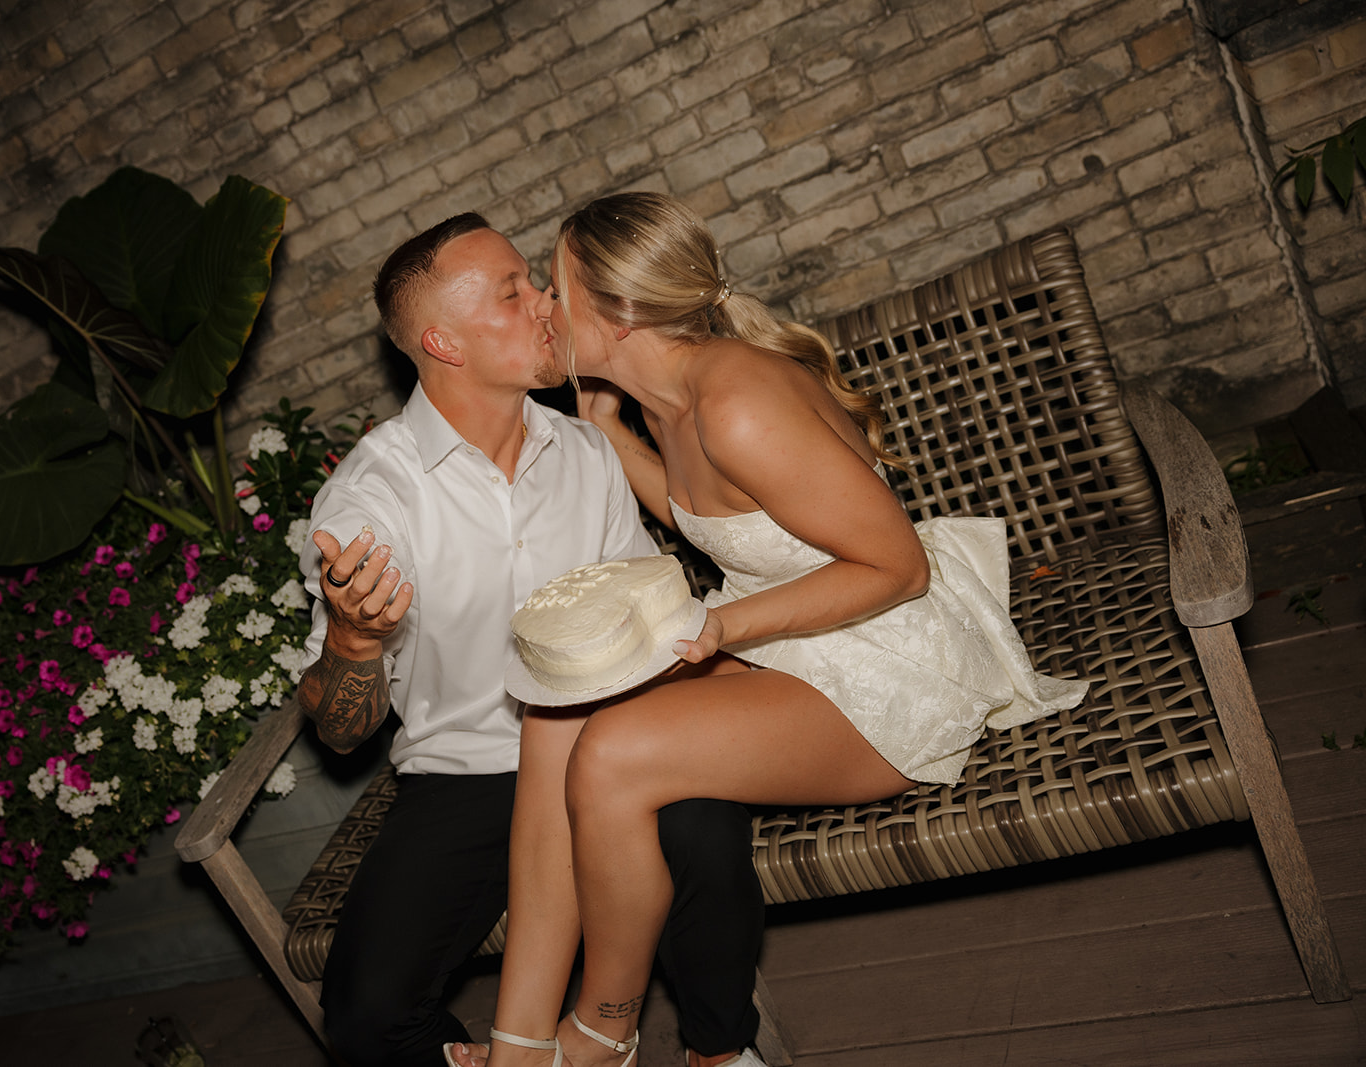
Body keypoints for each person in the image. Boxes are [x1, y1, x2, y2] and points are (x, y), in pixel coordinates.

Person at [478, 192, 1090, 1067]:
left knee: (612, 755)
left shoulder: (736, 401)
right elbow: (715, 522)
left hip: (893, 656)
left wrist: (722, 623)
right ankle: (525, 1036)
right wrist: (608, 432)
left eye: (554, 286)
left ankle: (599, 1034)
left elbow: (896, 568)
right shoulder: (666, 395)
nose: (542, 304)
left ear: (614, 312)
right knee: (558, 717)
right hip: (802, 642)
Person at [295, 212, 765, 1067]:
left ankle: (721, 1053)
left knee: (704, 829)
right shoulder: (373, 501)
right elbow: (339, 730)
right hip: (466, 774)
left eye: (535, 283)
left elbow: (641, 623)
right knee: (366, 1016)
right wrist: (356, 644)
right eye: (515, 293)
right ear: (444, 341)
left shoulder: (587, 452)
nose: (547, 302)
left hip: (613, 744)